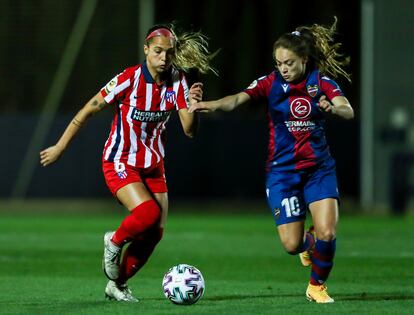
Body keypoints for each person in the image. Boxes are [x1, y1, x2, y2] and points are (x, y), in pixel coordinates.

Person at [40, 24, 216, 302]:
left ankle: (117, 284)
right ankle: (114, 240)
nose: (163, 58)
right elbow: (89, 108)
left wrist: (194, 106)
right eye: (157, 51)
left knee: (155, 232)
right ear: (146, 50)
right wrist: (61, 146)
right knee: (148, 214)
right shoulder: (129, 79)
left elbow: (189, 131)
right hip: (120, 160)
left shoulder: (178, 81)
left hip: (154, 164)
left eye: (169, 53)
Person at [189, 17, 354, 303]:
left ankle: (316, 286)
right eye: (279, 63)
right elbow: (239, 99)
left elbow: (347, 109)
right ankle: (307, 244)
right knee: (292, 244)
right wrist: (211, 104)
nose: (283, 69)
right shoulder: (270, 83)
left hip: (318, 169)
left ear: (303, 59)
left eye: (289, 62)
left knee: (327, 231)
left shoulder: (321, 82)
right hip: (283, 173)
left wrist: (334, 108)